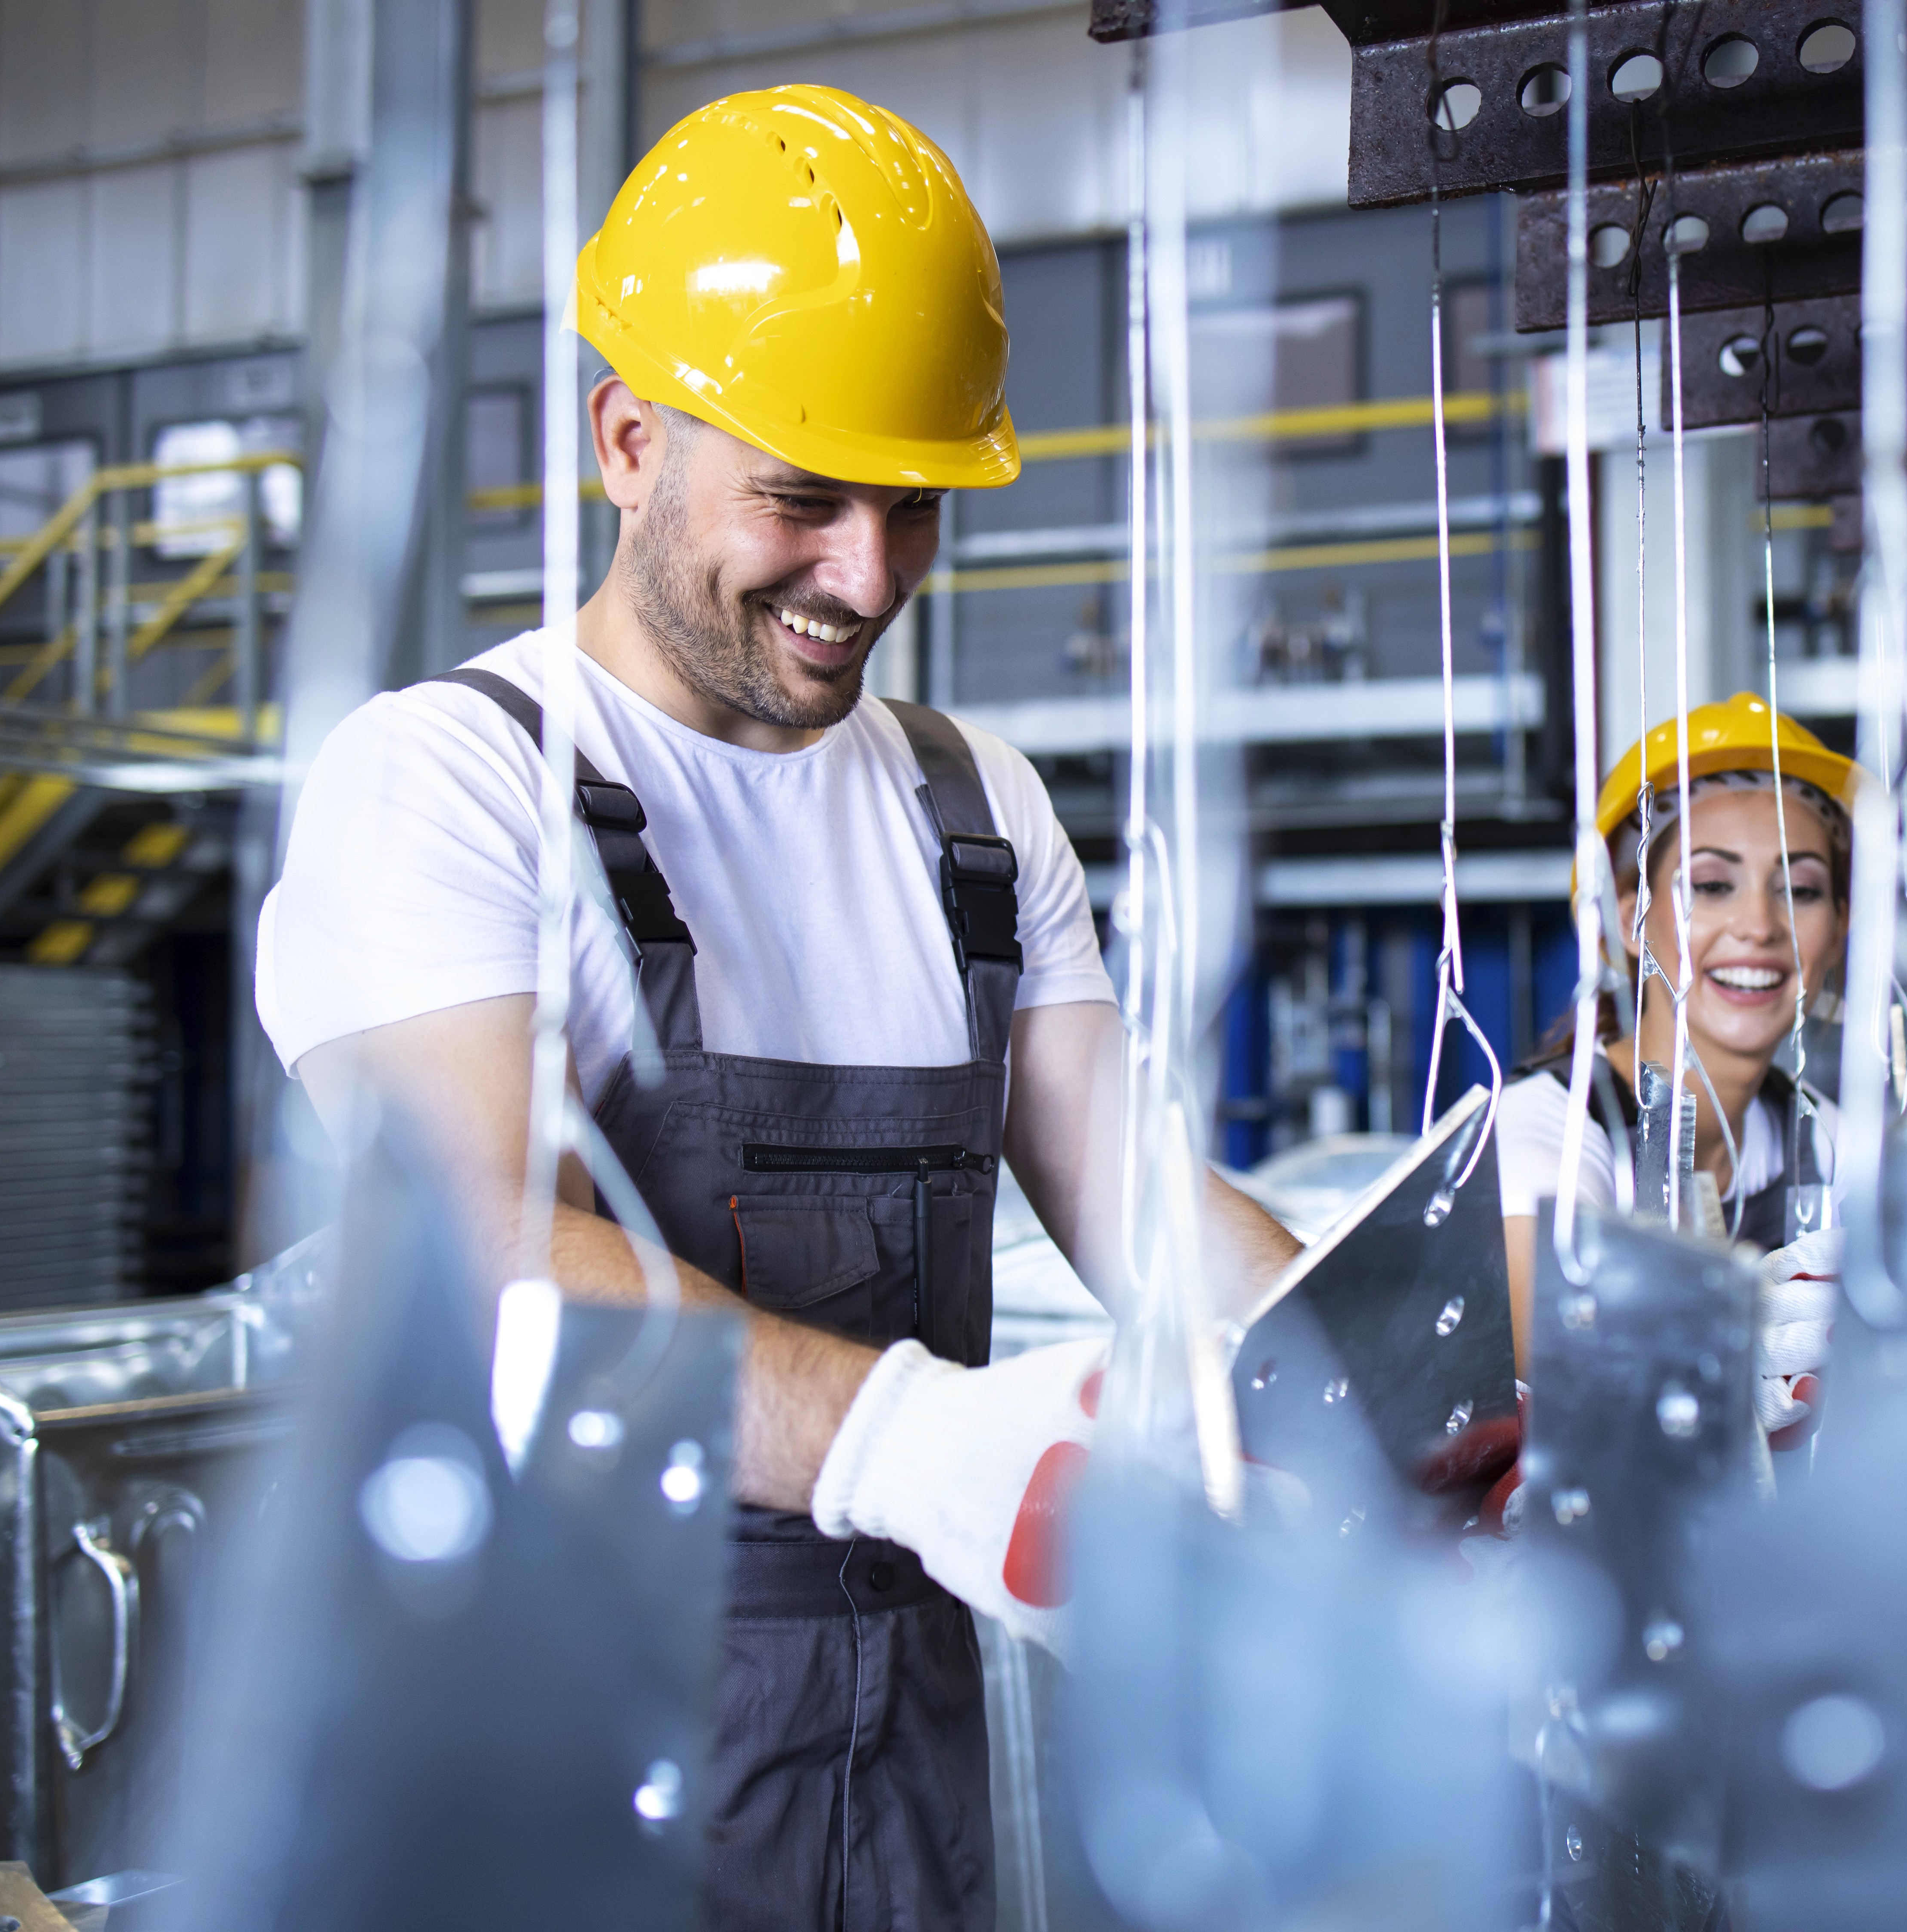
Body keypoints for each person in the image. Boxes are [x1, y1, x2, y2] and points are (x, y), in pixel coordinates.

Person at [257, 86, 1301, 1930]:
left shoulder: (975, 808)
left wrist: (1400, 1382)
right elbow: (488, 1254)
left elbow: (1144, 1210)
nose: (869, 576)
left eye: (911, 507)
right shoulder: (454, 780)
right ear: (629, 442)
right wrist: (915, 1441)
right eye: (804, 500)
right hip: (582, 1773)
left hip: (917, 1760)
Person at [1492, 696, 1856, 1438]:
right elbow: (1555, 1343)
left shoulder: (1824, 1138)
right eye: (1711, 885)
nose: (1760, 925)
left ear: (1840, 927)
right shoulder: (1548, 1130)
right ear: (1629, 916)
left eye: (1803, 889)